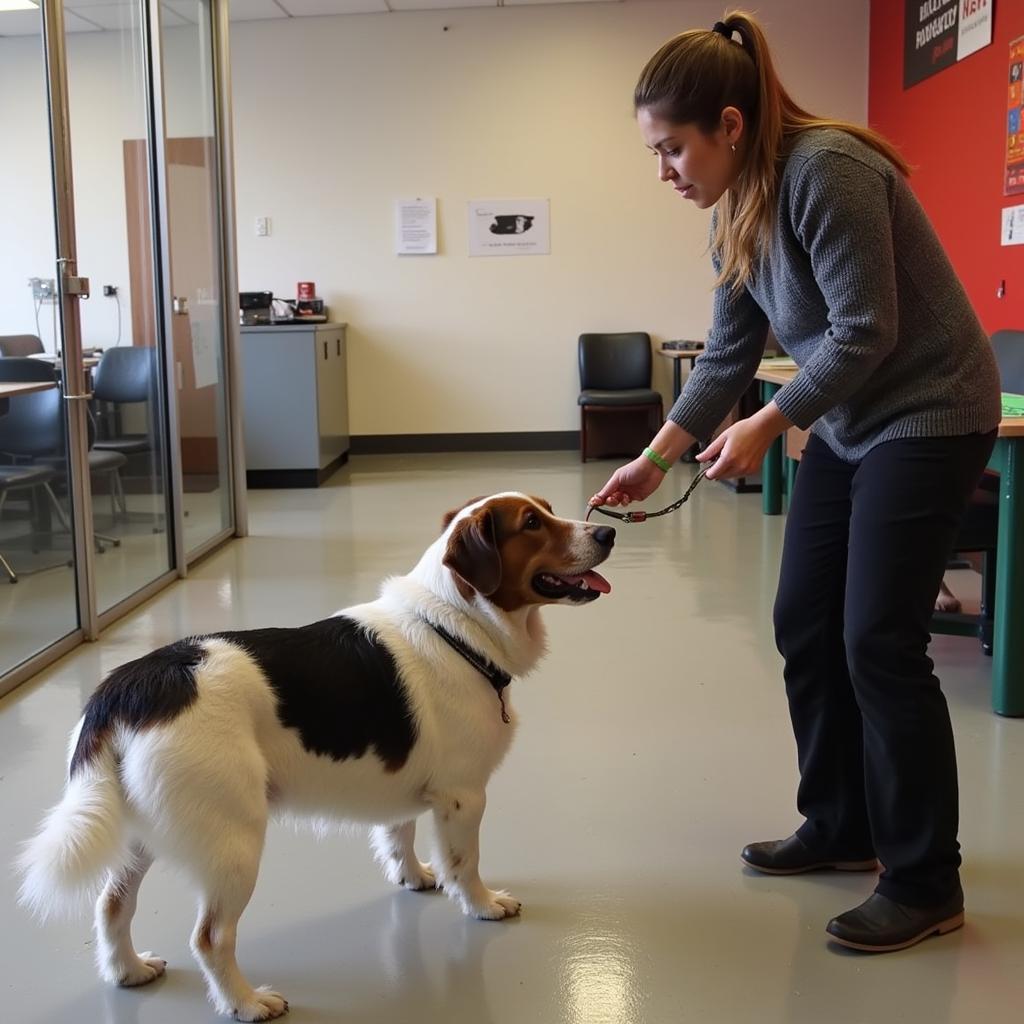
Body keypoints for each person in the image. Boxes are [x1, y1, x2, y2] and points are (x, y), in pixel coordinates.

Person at [591, 11, 1001, 953]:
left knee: (879, 640)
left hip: (932, 410)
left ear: (730, 126)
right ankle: (843, 824)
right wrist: (654, 458)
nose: (665, 172)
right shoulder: (734, 205)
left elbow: (866, 329)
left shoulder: (830, 172)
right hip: (854, 421)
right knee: (804, 620)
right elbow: (730, 352)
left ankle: (925, 878)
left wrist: (774, 421)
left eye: (671, 149)